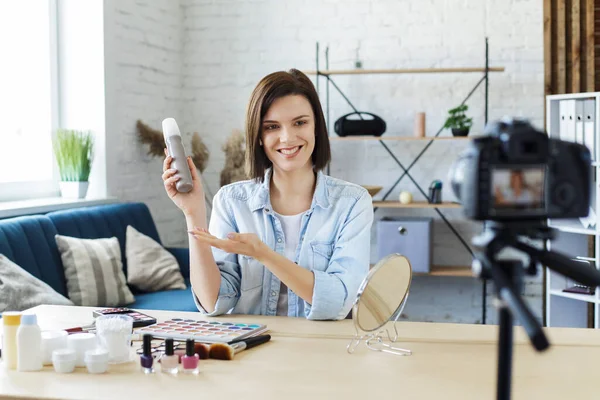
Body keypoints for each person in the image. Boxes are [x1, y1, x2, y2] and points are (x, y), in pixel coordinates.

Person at [161, 69, 373, 320]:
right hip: (251, 349)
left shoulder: (352, 203)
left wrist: (263, 253)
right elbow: (212, 301)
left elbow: (338, 302)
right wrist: (193, 213)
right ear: (259, 137)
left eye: (300, 122)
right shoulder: (231, 202)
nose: (287, 138)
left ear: (316, 126)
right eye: (272, 127)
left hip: (320, 350)